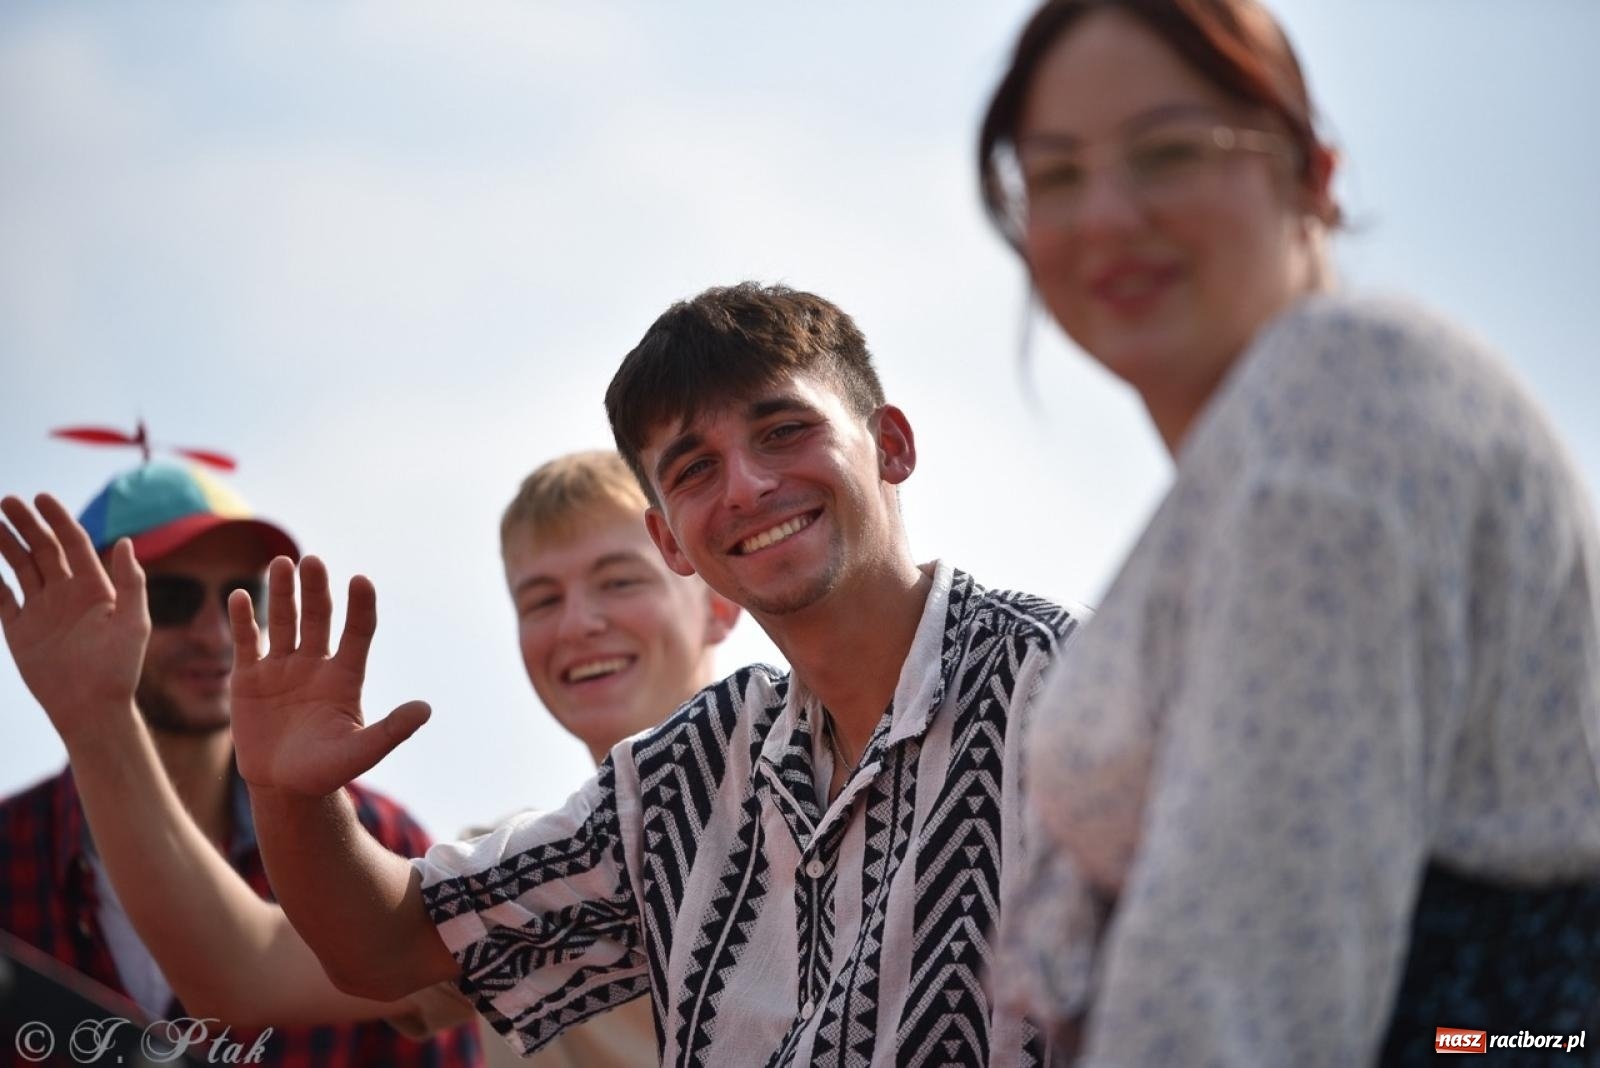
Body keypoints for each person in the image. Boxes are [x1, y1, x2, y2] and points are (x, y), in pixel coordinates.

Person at [219, 283, 1082, 1065]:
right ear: (671, 537)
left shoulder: (1061, 684)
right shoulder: (685, 774)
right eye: (695, 469)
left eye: (784, 431)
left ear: (890, 445)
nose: (745, 486)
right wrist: (292, 796)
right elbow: (387, 947)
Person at [976, 1, 1600, 1063]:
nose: (1106, 214)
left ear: (1312, 174)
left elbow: (1240, 987)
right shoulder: (1265, 444)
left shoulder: (1335, 399)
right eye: (1058, 175)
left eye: (1168, 152)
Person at [0, 451, 741, 1068]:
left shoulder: (806, 777)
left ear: (718, 602)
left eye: (621, 580)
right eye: (539, 599)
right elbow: (245, 970)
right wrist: (101, 720)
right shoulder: (528, 864)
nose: (579, 623)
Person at [0, 463, 481, 1065]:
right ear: (80, 608)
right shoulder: (8, 847)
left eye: (240, 598)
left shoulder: (378, 841)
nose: (213, 632)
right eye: (170, 599)